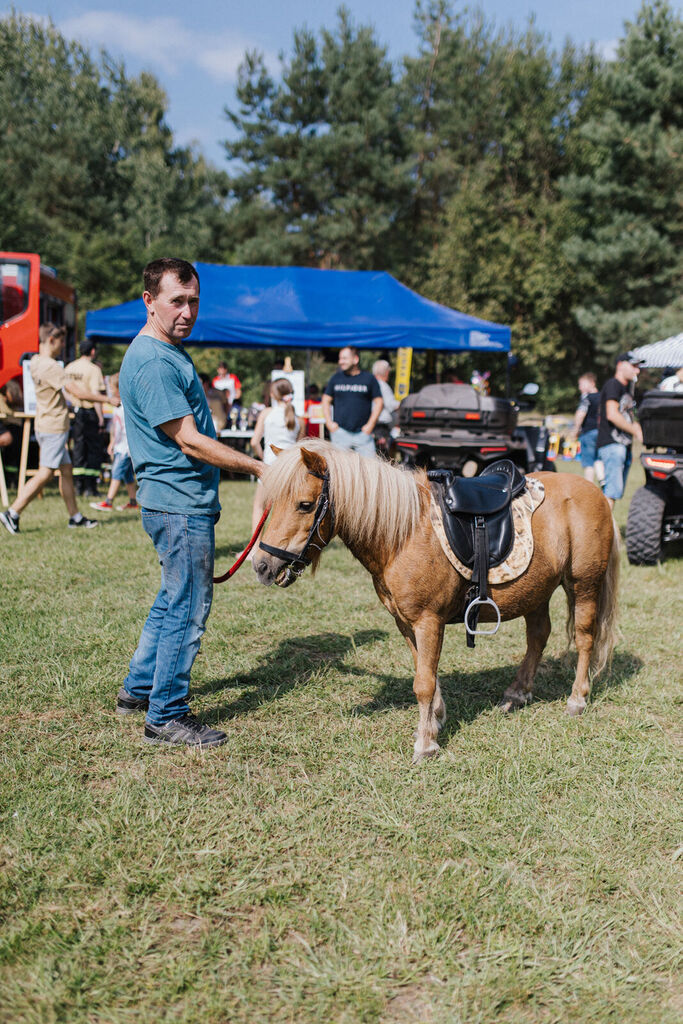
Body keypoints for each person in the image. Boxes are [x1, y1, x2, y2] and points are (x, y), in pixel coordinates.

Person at [117, 257, 263, 749]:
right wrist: (261, 467)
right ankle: (165, 715)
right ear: (149, 301)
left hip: (178, 501)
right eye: (176, 301)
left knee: (171, 598)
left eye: (194, 301)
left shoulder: (168, 350)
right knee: (188, 606)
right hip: (178, 504)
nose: (187, 311)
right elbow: (192, 442)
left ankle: (138, 691)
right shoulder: (155, 360)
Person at [0, 324, 115, 535]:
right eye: (61, 342)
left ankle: (75, 517)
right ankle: (13, 513)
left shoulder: (34, 362)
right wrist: (108, 398)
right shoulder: (50, 367)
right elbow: (77, 391)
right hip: (53, 426)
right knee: (45, 473)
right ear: (51, 339)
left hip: (46, 422)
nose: (63, 346)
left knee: (66, 471)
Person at [249, 377, 304, 544]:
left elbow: (254, 442)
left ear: (273, 394)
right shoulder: (299, 420)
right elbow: (299, 447)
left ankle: (255, 547)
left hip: (269, 467)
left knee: (260, 507)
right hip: (289, 470)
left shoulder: (267, 413)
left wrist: (262, 456)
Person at [596, 351, 644, 509]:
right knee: (611, 492)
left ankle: (606, 529)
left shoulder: (627, 389)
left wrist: (636, 425)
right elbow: (612, 414)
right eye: (633, 366)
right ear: (620, 365)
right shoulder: (613, 385)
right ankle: (604, 531)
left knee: (614, 492)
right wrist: (635, 431)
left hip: (622, 445)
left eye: (638, 367)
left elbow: (629, 415)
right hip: (613, 444)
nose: (637, 370)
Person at [322, 346, 383, 458]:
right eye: (340, 359)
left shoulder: (369, 379)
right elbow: (326, 399)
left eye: (344, 358)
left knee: (370, 470)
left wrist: (370, 425)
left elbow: (379, 402)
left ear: (355, 359)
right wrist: (329, 423)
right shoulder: (336, 378)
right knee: (339, 470)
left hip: (363, 434)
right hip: (340, 433)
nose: (341, 362)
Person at [90, 373, 138, 512]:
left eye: (112, 387)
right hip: (120, 445)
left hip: (125, 448)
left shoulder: (125, 408)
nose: (110, 390)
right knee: (127, 475)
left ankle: (108, 501)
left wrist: (116, 444)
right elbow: (115, 428)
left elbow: (124, 430)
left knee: (116, 473)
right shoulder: (118, 406)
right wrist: (112, 442)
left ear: (119, 388)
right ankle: (133, 501)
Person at [65, 341, 107, 497]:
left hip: (76, 413)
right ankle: (90, 488)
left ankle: (78, 485)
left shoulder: (69, 367)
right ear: (93, 351)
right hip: (90, 413)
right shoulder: (94, 370)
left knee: (78, 447)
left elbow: (65, 391)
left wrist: (72, 404)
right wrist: (101, 418)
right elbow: (96, 395)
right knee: (93, 449)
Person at [571, 372, 601, 482]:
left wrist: (575, 429)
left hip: (588, 432)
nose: (580, 387)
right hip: (601, 432)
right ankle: (602, 481)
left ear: (592, 383)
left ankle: (589, 485)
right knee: (598, 459)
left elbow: (580, 414)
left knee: (588, 462)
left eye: (582, 384)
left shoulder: (587, 398)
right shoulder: (603, 397)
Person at [372, 359, 399, 455]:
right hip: (381, 428)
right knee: (383, 456)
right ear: (386, 372)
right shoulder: (383, 386)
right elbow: (392, 405)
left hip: (374, 426)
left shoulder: (371, 383)